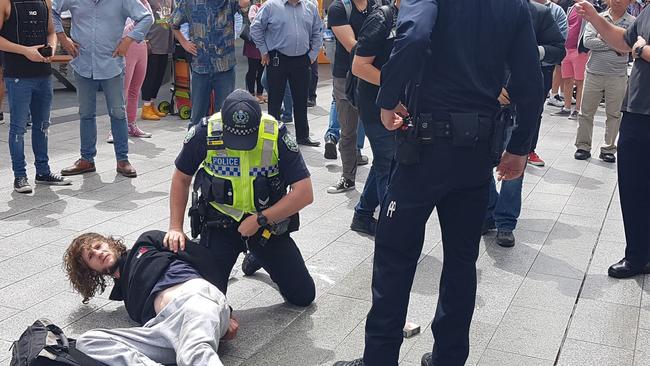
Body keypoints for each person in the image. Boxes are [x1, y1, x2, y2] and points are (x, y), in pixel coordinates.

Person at [334, 0, 544, 365]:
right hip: (476, 152)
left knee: (394, 259)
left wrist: (387, 99)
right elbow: (530, 76)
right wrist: (521, 145)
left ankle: (379, 360)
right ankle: (449, 358)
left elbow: (414, 36)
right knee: (462, 262)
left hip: (424, 151)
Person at [166, 89, 316, 306]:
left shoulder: (275, 133)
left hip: (265, 227)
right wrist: (175, 227)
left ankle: (259, 256)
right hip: (220, 224)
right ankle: (212, 252)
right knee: (207, 302)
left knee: (303, 296)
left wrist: (259, 220)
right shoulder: (205, 131)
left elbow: (304, 192)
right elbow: (181, 178)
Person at [63, 230, 239, 366]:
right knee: (88, 341)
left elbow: (203, 258)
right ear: (91, 271)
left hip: (194, 300)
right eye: (91, 256)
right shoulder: (126, 296)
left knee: (192, 354)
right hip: (162, 331)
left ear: (109, 243)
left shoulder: (146, 242)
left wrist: (227, 311)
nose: (99, 253)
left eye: (99, 246)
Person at [573, 1, 650, 278]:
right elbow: (623, 41)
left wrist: (642, 50)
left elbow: (635, 48)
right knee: (633, 187)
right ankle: (638, 255)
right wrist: (594, 17)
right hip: (637, 108)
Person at [482, 0, 566, 248]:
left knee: (514, 157)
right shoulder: (482, 10)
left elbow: (558, 49)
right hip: (485, 98)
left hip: (522, 100)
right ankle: (487, 212)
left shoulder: (539, 13)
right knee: (482, 160)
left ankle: (506, 221)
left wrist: (533, 51)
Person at [52, 0, 153, 179]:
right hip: (83, 63)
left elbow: (146, 17)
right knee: (85, 113)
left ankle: (123, 160)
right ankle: (86, 159)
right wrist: (62, 37)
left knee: (118, 112)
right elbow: (53, 11)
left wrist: (128, 40)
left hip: (111, 63)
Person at [0, 0, 72, 193]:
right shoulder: (5, 3)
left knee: (43, 125)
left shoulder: (45, 1)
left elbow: (50, 30)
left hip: (43, 73)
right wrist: (25, 51)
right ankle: (20, 176)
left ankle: (43, 171)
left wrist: (52, 47)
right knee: (18, 128)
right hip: (17, 75)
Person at [348, 0, 400, 235]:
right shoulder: (383, 18)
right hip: (375, 105)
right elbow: (359, 66)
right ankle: (391, 230)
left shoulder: (416, 19)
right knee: (388, 161)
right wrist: (392, 91)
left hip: (397, 105)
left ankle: (362, 215)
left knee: (384, 160)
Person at [326, 0, 383, 194]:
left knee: (380, 128)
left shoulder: (378, 5)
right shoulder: (338, 8)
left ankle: (384, 174)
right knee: (348, 130)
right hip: (346, 77)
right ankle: (348, 178)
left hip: (373, 75)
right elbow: (353, 46)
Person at [250, 0, 323, 146]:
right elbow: (255, 28)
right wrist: (263, 51)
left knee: (301, 100)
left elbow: (318, 31)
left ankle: (303, 136)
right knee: (275, 101)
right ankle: (272, 137)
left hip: (303, 59)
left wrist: (313, 54)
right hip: (277, 58)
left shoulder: (310, 7)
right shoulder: (271, 6)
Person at [170, 0, 250, 127]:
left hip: (225, 66)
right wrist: (184, 43)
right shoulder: (189, 2)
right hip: (200, 66)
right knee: (197, 117)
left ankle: (223, 146)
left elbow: (245, 3)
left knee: (225, 116)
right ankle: (194, 145)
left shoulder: (229, 2)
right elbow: (173, 24)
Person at [574, 0, 635, 163]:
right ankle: (583, 146)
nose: (617, 0)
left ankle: (608, 149)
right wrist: (616, 44)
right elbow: (588, 42)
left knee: (614, 114)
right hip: (593, 72)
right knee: (585, 112)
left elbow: (630, 47)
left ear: (630, 1)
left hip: (618, 75)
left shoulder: (633, 22)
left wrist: (604, 38)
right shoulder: (597, 18)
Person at [107, 0, 155, 143]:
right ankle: (114, 128)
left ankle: (131, 124)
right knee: (123, 90)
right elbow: (116, 25)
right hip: (126, 45)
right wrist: (135, 26)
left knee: (135, 89)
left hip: (140, 45)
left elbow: (150, 20)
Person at [528, 0, 567, 167]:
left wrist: (533, 51)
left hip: (540, 71)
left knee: (534, 112)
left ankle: (529, 149)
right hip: (496, 82)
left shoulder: (550, 12)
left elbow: (559, 45)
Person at [551, 3, 590, 119]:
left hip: (579, 50)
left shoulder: (588, 8)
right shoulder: (571, 8)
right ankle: (567, 107)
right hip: (567, 48)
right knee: (567, 79)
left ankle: (578, 109)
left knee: (580, 81)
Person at [139, 0, 174, 121]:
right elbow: (138, 19)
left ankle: (152, 104)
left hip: (165, 44)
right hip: (152, 44)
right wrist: (144, 39)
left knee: (159, 77)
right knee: (150, 76)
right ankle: (146, 106)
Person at [243, 0, 265, 104]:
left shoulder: (268, 7)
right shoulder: (254, 7)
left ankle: (260, 93)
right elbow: (253, 20)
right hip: (253, 45)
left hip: (263, 45)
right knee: (252, 70)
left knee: (261, 70)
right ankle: (250, 93)